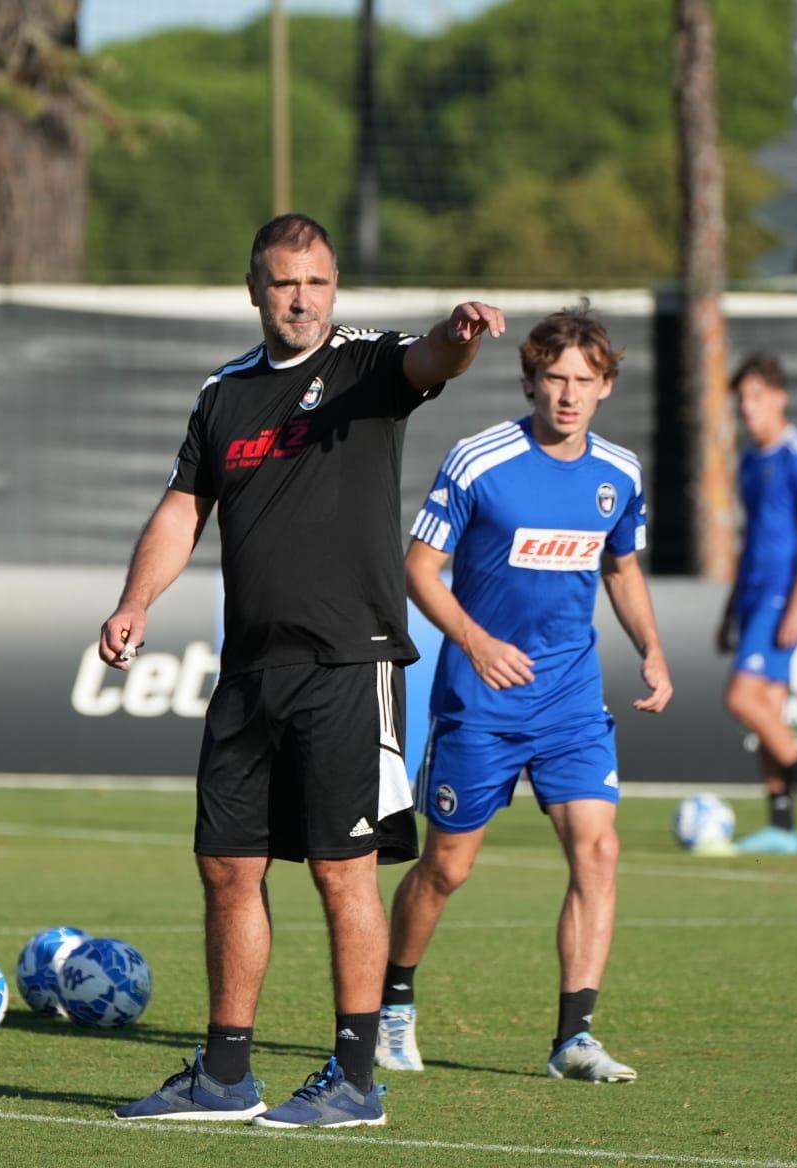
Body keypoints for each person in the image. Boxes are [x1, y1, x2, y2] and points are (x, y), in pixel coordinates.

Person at [99, 213, 504, 1129]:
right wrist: (135, 603)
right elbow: (181, 509)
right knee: (227, 866)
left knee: (340, 871)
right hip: (249, 669)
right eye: (284, 282)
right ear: (255, 289)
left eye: (316, 282)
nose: (301, 298)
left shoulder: (364, 368)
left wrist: (461, 335)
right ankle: (226, 1074)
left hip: (346, 665)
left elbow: (430, 362)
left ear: (334, 289)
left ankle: (357, 1079)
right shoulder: (225, 395)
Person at [373, 305, 671, 1083]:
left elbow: (622, 569)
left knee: (598, 851)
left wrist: (652, 650)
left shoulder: (620, 474)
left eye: (584, 380)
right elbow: (417, 569)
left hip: (571, 700)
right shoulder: (479, 461)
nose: (568, 394)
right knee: (447, 870)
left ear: (606, 386)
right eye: (555, 378)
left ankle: (574, 1037)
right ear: (532, 380)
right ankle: (393, 1005)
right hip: (480, 700)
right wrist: (476, 642)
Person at [714, 353, 797, 855]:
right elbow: (750, 540)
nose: (748, 407)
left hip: (784, 595)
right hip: (755, 595)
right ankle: (782, 825)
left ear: (780, 397)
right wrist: (730, 608)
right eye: (742, 399)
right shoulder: (750, 460)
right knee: (767, 707)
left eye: (757, 396)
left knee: (741, 698)